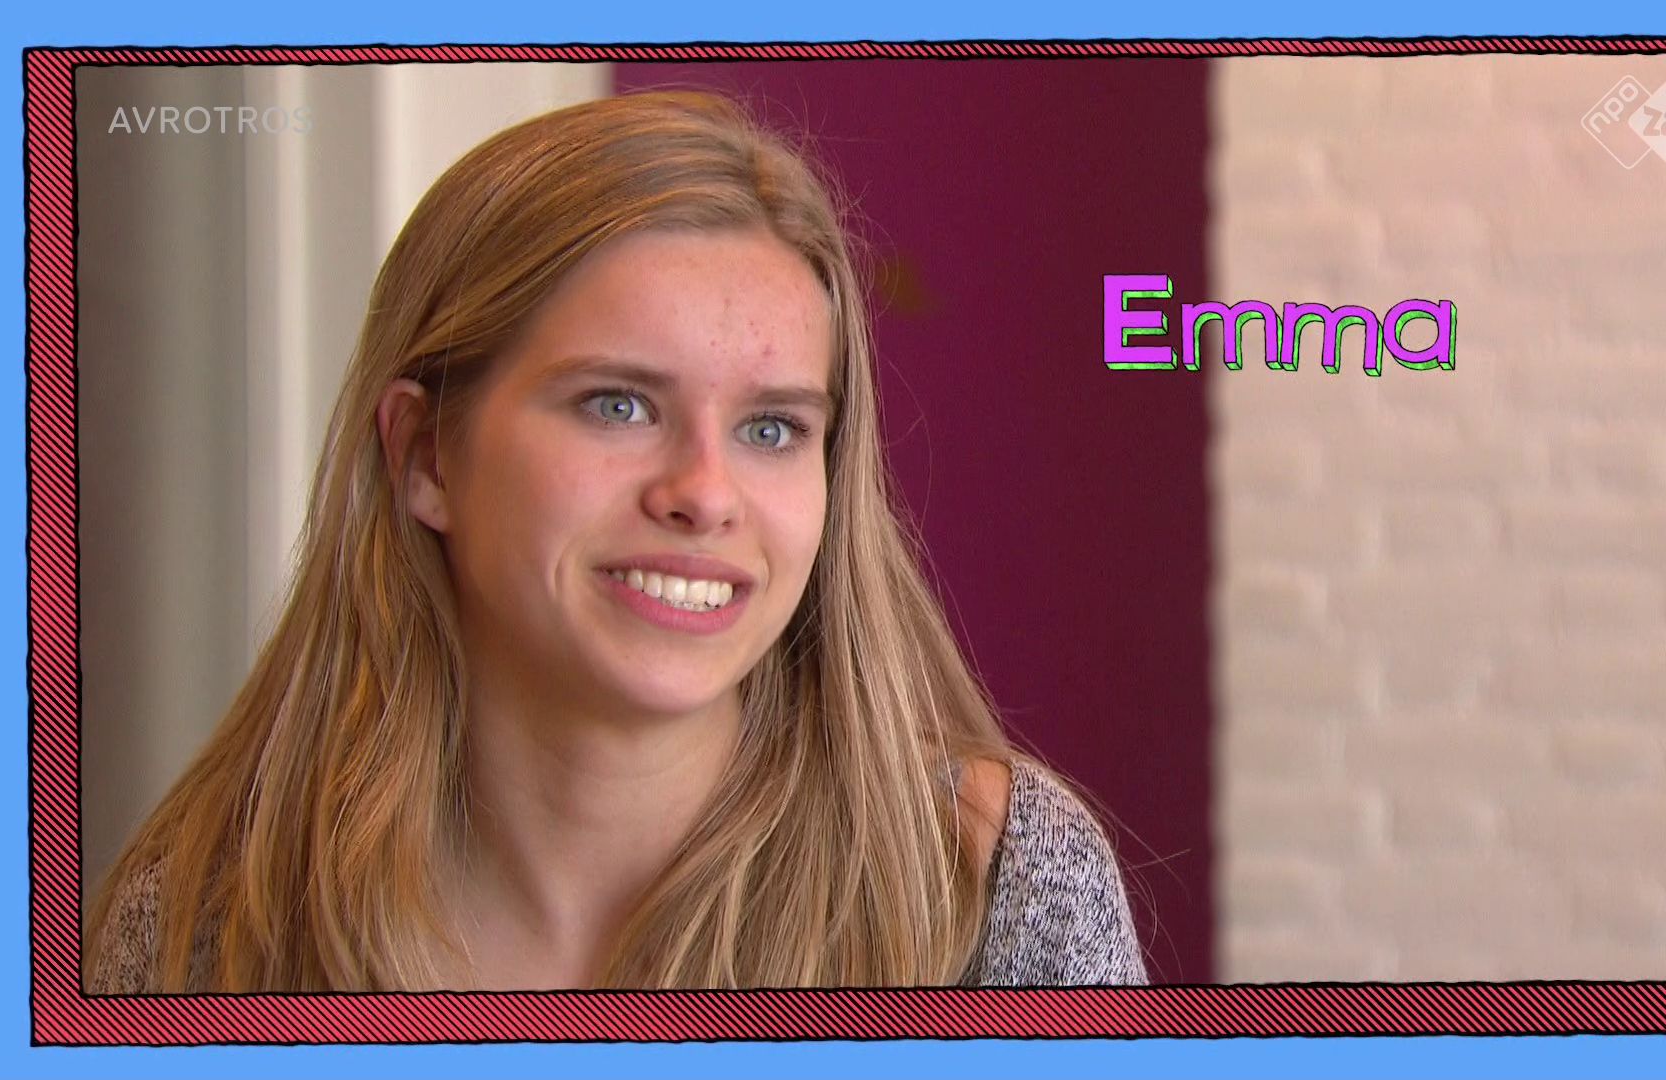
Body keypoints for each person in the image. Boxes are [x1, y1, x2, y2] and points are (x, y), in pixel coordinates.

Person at [82, 90, 1147, 992]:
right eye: (617, 406)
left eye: (771, 428)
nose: (704, 495)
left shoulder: (993, 889)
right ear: (426, 456)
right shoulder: (207, 926)